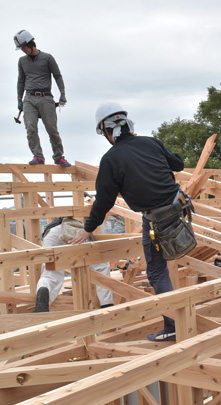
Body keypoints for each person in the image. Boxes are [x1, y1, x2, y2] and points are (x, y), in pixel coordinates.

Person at [69, 102, 185, 341]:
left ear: (107, 132)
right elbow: (178, 164)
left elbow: (103, 201)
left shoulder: (111, 159)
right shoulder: (151, 142)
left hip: (156, 218)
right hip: (178, 207)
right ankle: (177, 317)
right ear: (128, 124)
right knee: (169, 256)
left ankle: (174, 325)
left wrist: (87, 229)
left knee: (156, 271)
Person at [14, 29, 71, 167]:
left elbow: (57, 75)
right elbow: (21, 80)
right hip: (29, 98)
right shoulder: (22, 61)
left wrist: (62, 93)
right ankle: (38, 156)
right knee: (30, 128)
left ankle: (59, 157)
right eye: (20, 48)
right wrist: (19, 99)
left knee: (52, 129)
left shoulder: (47, 58)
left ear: (30, 43)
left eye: (23, 47)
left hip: (45, 97)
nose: (22, 50)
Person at [35, 217, 114, 312]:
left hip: (51, 234)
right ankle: (107, 304)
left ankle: (44, 294)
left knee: (50, 274)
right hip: (75, 232)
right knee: (101, 265)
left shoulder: (54, 224)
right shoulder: (82, 223)